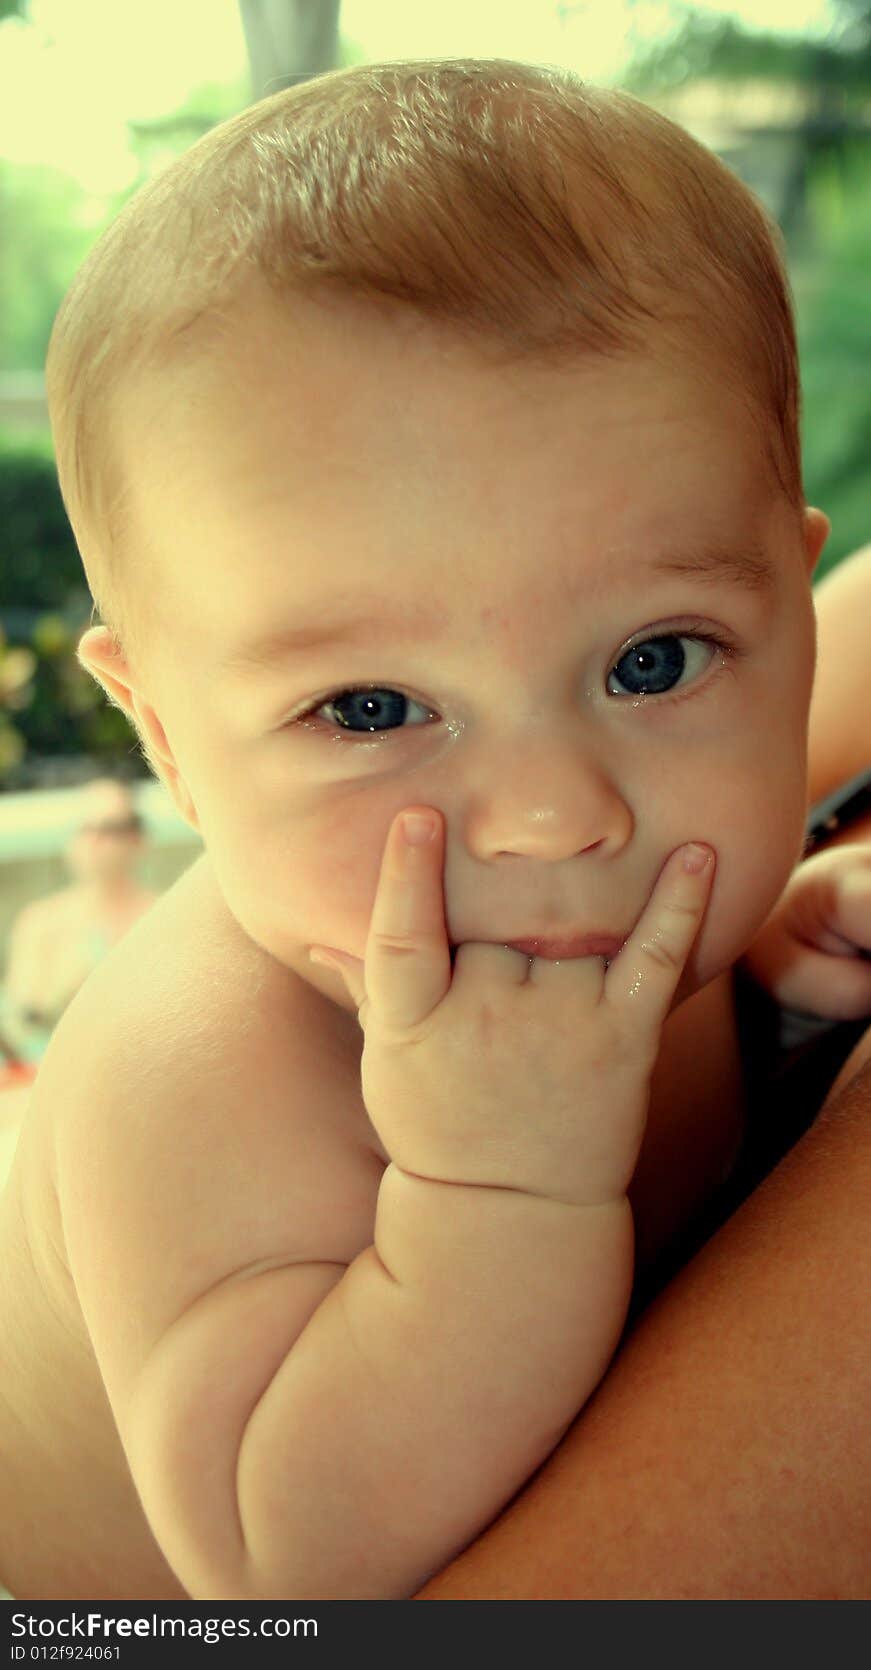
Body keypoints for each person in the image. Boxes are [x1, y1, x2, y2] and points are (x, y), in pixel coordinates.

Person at [0, 58, 868, 1601]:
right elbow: (293, 1569)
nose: (552, 813)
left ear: (795, 616)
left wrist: (761, 973)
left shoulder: (563, 928)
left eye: (650, 661)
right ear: (161, 734)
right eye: (370, 710)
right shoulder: (205, 1071)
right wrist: (491, 1191)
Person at [1, 777, 157, 1069]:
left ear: (138, 839)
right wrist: (65, 988)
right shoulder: (41, 922)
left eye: (109, 828)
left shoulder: (162, 918)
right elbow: (18, 1022)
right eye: (86, 829)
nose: (95, 841)